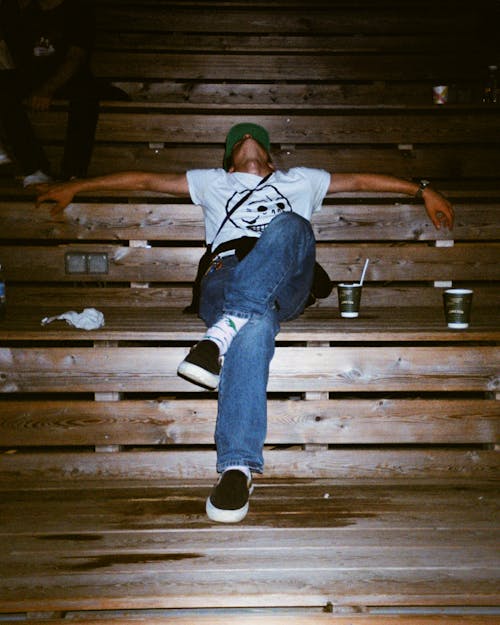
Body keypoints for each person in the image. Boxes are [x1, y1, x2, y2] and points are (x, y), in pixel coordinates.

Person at [36, 122, 454, 523]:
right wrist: (77, 185)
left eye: (256, 137)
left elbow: (362, 182)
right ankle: (237, 469)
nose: (249, 137)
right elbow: (144, 180)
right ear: (229, 162)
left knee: (291, 224)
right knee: (254, 326)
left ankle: (218, 336)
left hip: (288, 276)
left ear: (271, 156)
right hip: (226, 273)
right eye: (240, 139)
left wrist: (423, 189)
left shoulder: (302, 180)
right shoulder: (212, 182)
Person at [0, 0, 99, 186]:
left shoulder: (79, 11)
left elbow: (75, 58)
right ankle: (35, 168)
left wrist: (47, 90)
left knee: (87, 95)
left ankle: (73, 173)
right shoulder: (27, 12)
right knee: (3, 88)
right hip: (33, 77)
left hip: (69, 78)